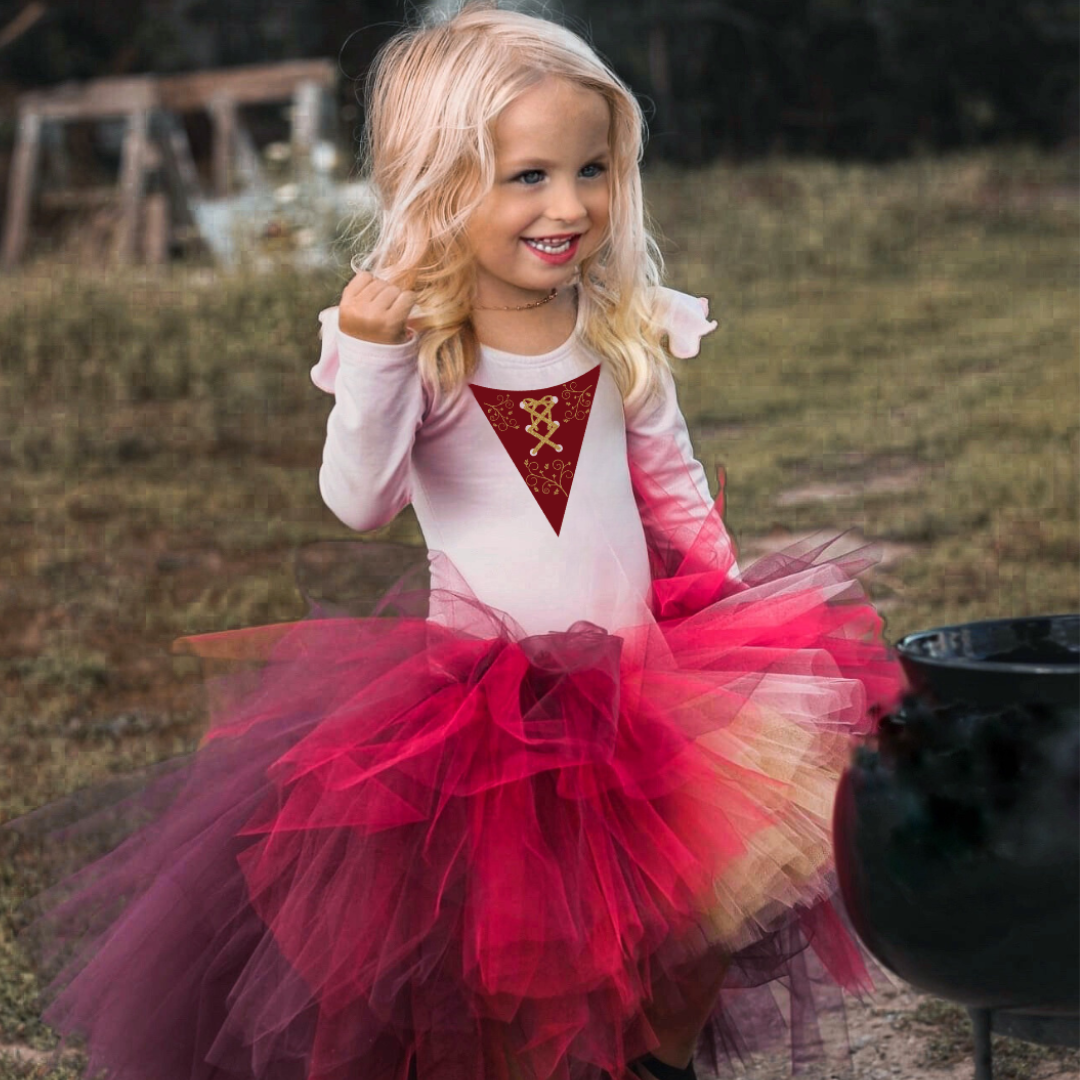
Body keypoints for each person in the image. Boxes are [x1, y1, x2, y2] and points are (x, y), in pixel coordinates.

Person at [3, 4, 903, 1079]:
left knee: (682, 928)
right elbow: (360, 500)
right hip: (487, 721)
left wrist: (726, 605)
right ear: (438, 185)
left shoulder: (624, 321)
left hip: (650, 684)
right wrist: (378, 359)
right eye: (527, 177)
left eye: (592, 169)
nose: (569, 205)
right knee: (527, 967)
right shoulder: (420, 346)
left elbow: (669, 483)